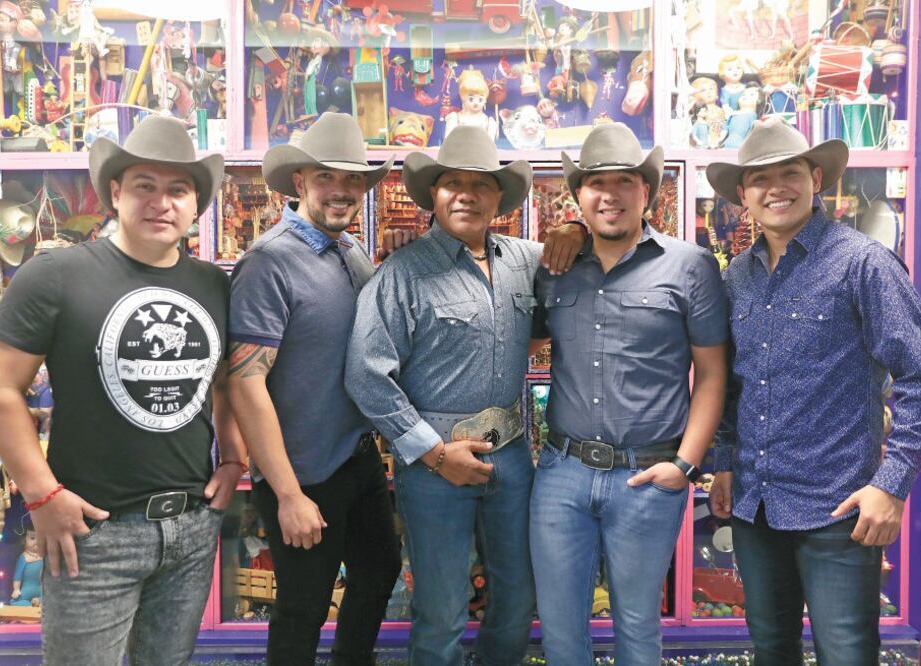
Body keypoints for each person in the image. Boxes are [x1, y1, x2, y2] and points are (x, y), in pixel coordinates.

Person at [0, 115, 246, 665]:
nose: (161, 202)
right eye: (145, 186)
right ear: (116, 193)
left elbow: (226, 383)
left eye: (178, 190)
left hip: (191, 528)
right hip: (92, 533)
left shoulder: (216, 285)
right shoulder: (54, 276)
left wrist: (234, 458)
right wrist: (41, 495)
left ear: (196, 206)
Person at [707, 117, 921, 665]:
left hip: (839, 508)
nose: (776, 188)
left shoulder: (863, 263)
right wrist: (723, 460)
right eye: (760, 178)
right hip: (755, 505)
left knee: (846, 654)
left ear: (815, 178)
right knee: (771, 649)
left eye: (789, 172)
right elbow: (730, 382)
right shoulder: (737, 278)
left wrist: (890, 485)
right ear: (743, 195)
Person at [345, 125, 585, 666]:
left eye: (481, 184)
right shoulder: (402, 272)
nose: (466, 194)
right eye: (453, 182)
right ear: (433, 193)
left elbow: (597, 247)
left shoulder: (528, 260)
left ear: (499, 197)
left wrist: (573, 226)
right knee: (442, 608)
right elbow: (366, 375)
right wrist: (432, 452)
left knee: (519, 598)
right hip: (434, 465)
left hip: (513, 456)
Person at [529, 123, 728, 665]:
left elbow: (712, 374)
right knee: (560, 628)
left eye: (624, 181)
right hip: (561, 474)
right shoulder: (553, 268)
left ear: (648, 192)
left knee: (638, 626)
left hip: (648, 476)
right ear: (578, 196)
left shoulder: (689, 266)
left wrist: (685, 467)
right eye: (595, 183)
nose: (609, 194)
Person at [226, 112, 403, 666]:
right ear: (300, 181)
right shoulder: (269, 261)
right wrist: (287, 494)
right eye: (328, 177)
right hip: (302, 472)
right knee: (303, 606)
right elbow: (245, 382)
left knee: (379, 571)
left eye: (353, 179)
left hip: (354, 458)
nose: (342, 190)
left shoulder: (348, 250)